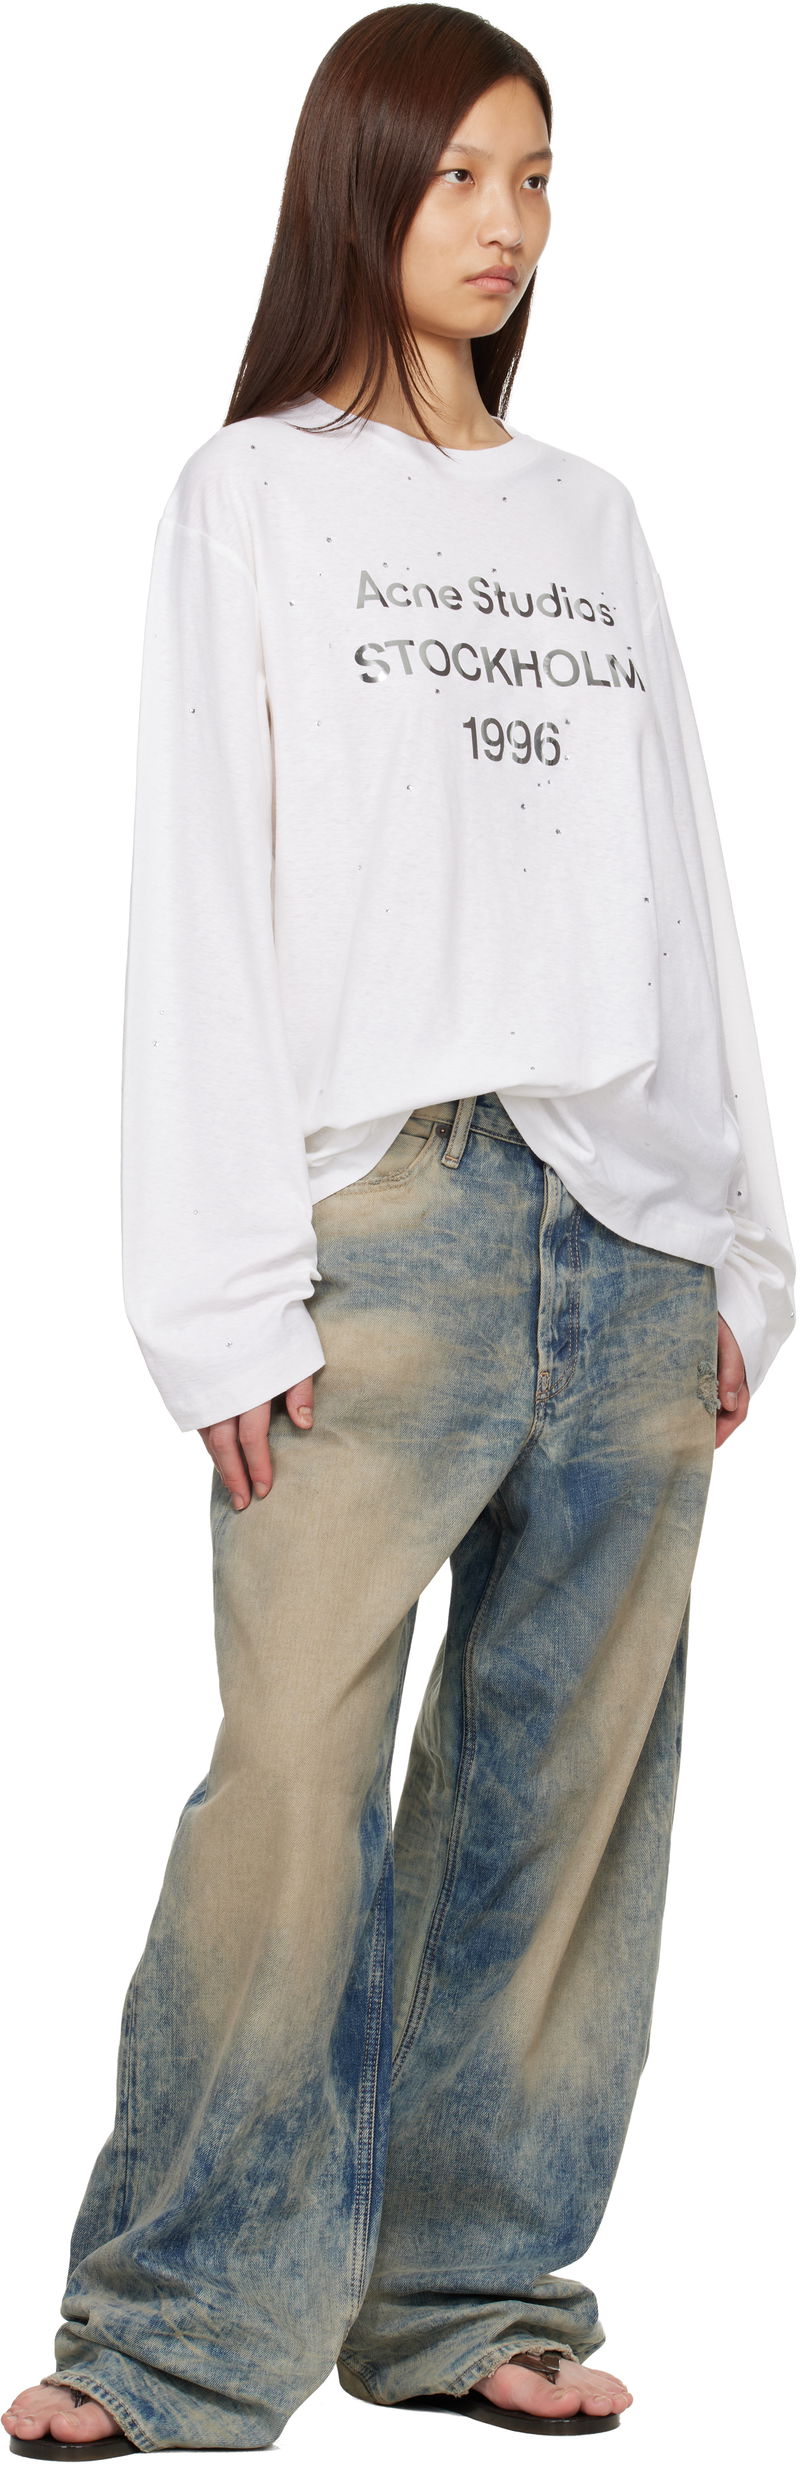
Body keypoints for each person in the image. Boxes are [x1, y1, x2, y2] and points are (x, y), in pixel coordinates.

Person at [4, 3, 795, 2456]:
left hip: (622, 1234)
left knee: (565, 1802)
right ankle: (168, 2331)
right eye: (458, 171)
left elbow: (676, 888)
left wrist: (740, 1249)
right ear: (357, 185)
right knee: (287, 1792)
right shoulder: (250, 499)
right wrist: (217, 1292)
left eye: (536, 177)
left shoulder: (590, 518)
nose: (506, 222)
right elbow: (199, 903)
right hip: (383, 1230)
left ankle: (466, 2302)